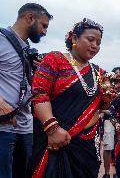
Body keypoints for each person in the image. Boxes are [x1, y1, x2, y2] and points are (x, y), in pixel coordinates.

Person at [28, 18, 104, 178]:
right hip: (56, 139)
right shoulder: (55, 60)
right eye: (90, 39)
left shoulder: (98, 72)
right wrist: (53, 129)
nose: (95, 45)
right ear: (74, 38)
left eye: (98, 42)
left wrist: (108, 99)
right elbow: (39, 94)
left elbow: (99, 105)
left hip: (87, 144)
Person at [0, 3, 52, 178]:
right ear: (30, 18)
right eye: (43, 25)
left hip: (26, 127)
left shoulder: (29, 51)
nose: (45, 32)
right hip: (3, 125)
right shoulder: (1, 39)